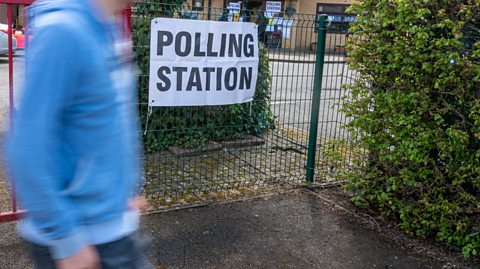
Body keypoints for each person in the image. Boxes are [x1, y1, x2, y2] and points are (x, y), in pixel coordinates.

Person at [5, 0, 151, 268]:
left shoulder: (108, 25)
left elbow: (109, 122)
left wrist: (124, 190)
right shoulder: (63, 32)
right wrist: (67, 242)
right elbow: (26, 148)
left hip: (110, 227)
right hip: (80, 241)